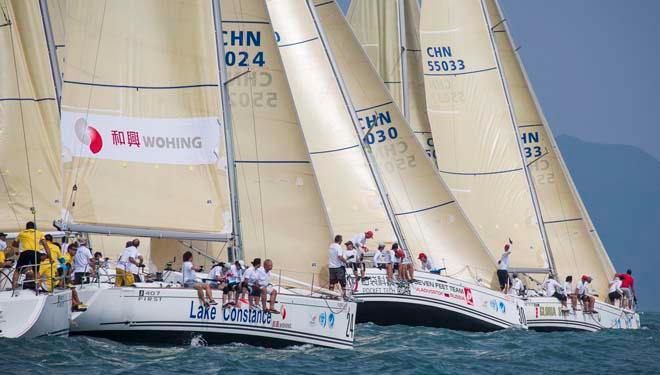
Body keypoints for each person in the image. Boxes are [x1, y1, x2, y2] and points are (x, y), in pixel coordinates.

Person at [11, 221, 49, 289]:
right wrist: (50, 257)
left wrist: (19, 246)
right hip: (35, 253)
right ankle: (39, 288)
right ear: (34, 227)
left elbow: (13, 244)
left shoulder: (22, 233)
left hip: (25, 253)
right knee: (36, 272)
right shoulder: (39, 233)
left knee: (17, 271)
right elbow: (46, 245)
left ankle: (13, 287)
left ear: (26, 228)